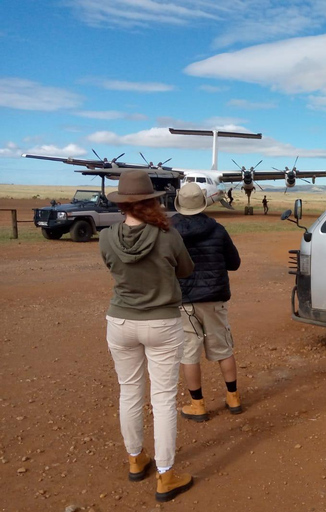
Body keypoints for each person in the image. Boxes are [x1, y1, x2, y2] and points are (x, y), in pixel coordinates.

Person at [99, 170, 195, 502]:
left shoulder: (106, 236)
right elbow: (186, 270)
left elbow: (112, 267)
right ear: (150, 201)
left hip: (121, 322)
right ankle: (166, 476)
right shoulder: (168, 236)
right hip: (162, 324)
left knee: (129, 393)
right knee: (164, 399)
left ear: (123, 203)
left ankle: (136, 458)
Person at [171, 183, 243, 422]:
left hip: (184, 301)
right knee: (223, 348)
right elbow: (234, 263)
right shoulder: (218, 229)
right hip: (214, 298)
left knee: (189, 352)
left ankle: (197, 404)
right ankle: (233, 398)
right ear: (203, 203)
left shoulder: (169, 232)